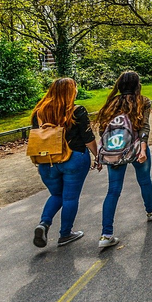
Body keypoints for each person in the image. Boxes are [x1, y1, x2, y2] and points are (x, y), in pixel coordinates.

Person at [95, 71, 152, 249]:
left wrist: (103, 153)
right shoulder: (143, 101)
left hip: (115, 150)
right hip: (137, 146)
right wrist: (143, 148)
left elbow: (103, 130)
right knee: (144, 180)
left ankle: (106, 234)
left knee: (113, 190)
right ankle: (150, 210)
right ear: (137, 85)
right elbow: (144, 126)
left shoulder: (112, 103)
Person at [31, 78, 99, 248]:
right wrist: (97, 156)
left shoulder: (38, 113)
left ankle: (44, 223)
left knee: (56, 195)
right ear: (71, 91)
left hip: (47, 161)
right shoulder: (76, 111)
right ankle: (65, 234)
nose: (76, 90)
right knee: (70, 197)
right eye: (74, 88)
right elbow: (88, 138)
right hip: (73, 158)